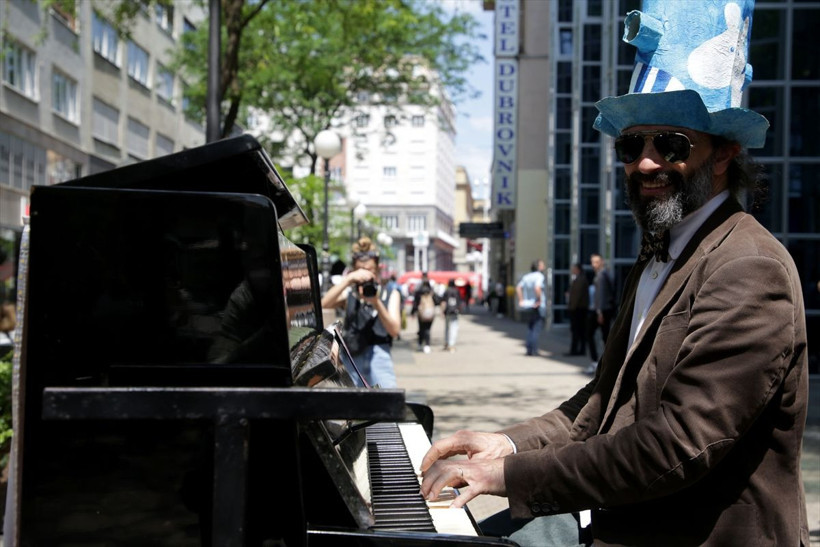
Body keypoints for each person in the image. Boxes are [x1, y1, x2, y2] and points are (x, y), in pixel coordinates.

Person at [419, 2, 809, 545]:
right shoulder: (662, 252)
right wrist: (506, 445)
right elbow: (603, 401)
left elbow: (677, 443)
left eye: (670, 144)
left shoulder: (748, 267)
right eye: (631, 145)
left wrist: (509, 476)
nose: (646, 163)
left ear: (723, 154)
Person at [321, 237, 401, 388]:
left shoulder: (390, 293)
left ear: (377, 269)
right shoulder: (350, 293)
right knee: (353, 402)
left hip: (379, 355)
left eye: (369, 270)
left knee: (387, 399)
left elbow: (395, 331)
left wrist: (376, 302)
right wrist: (348, 280)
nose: (365, 275)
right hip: (352, 358)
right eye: (360, 271)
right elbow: (323, 305)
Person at [586, 254, 615, 373]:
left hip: (602, 310)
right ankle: (606, 364)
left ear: (601, 262)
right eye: (592, 262)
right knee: (605, 336)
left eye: (596, 262)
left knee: (592, 334)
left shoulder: (601, 275)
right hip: (604, 309)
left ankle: (598, 363)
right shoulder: (603, 273)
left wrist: (599, 312)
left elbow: (601, 295)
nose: (594, 264)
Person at [515, 259, 546, 356]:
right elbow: (537, 288)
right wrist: (539, 300)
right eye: (542, 265)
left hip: (528, 304)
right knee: (536, 328)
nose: (544, 266)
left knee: (530, 328)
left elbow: (518, 288)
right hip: (536, 306)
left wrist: (521, 300)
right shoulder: (539, 276)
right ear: (538, 267)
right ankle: (534, 350)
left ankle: (529, 349)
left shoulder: (527, 277)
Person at [411, 272, 440, 354]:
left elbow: (415, 302)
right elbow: (437, 301)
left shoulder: (419, 290)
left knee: (421, 328)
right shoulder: (431, 290)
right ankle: (427, 345)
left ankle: (420, 344)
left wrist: (413, 312)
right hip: (430, 312)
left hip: (421, 312)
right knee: (428, 329)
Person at [564, 263, 588, 357]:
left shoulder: (581, 279)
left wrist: (571, 308)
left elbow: (577, 296)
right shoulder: (577, 278)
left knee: (577, 330)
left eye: (574, 268)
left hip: (578, 309)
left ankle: (575, 350)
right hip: (578, 308)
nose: (572, 270)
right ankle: (580, 349)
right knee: (579, 330)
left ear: (578, 269)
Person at [442, 279, 461, 352]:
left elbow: (443, 301)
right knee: (454, 328)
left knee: (447, 327)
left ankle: (447, 342)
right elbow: (459, 302)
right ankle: (452, 344)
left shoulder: (446, 291)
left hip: (447, 311)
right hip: (455, 311)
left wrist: (442, 311)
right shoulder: (457, 291)